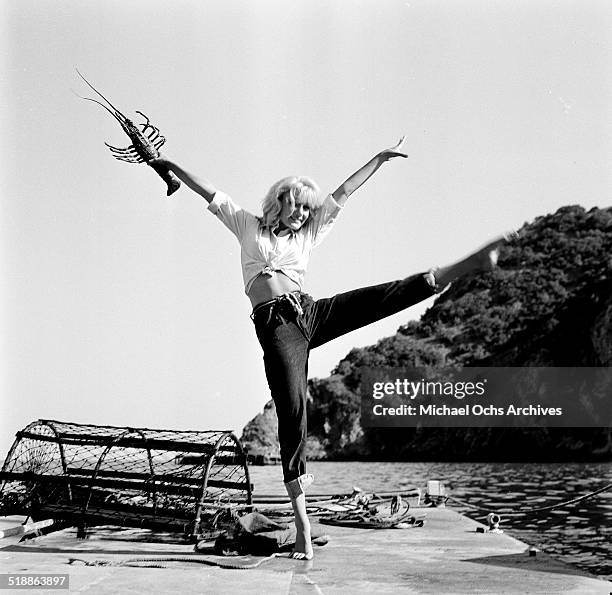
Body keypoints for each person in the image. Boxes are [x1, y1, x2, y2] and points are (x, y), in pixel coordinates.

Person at [150, 139, 515, 559]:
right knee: (292, 415)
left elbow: (343, 193)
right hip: (277, 327)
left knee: (380, 298)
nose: (303, 213)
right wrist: (173, 163)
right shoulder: (247, 225)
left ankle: (453, 271)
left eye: (308, 208)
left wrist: (377, 160)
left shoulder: (307, 234)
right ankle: (303, 525)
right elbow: (211, 192)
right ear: (280, 200)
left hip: (311, 312)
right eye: (297, 205)